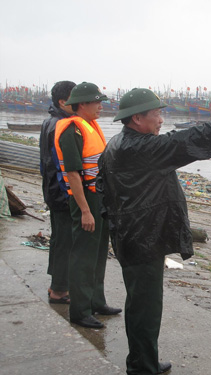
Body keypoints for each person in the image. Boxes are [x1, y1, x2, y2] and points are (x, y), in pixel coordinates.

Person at [97, 88, 211, 375]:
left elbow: (104, 188)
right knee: (146, 308)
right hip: (142, 239)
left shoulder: (118, 143)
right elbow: (185, 142)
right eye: (157, 114)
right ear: (137, 118)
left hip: (132, 235)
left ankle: (142, 360)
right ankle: (142, 367)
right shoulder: (140, 149)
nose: (161, 120)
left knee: (141, 304)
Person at [54, 82, 122, 329]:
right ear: (82, 104)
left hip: (99, 196)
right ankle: (80, 311)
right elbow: (73, 174)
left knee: (99, 251)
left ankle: (96, 301)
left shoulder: (90, 126)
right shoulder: (72, 130)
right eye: (97, 102)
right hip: (85, 198)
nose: (101, 107)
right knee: (83, 254)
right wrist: (84, 210)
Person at [39, 80, 75, 304]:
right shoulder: (61, 125)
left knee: (59, 239)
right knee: (65, 240)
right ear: (63, 101)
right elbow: (63, 165)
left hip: (52, 190)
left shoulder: (49, 121)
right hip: (61, 192)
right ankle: (60, 290)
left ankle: (56, 284)